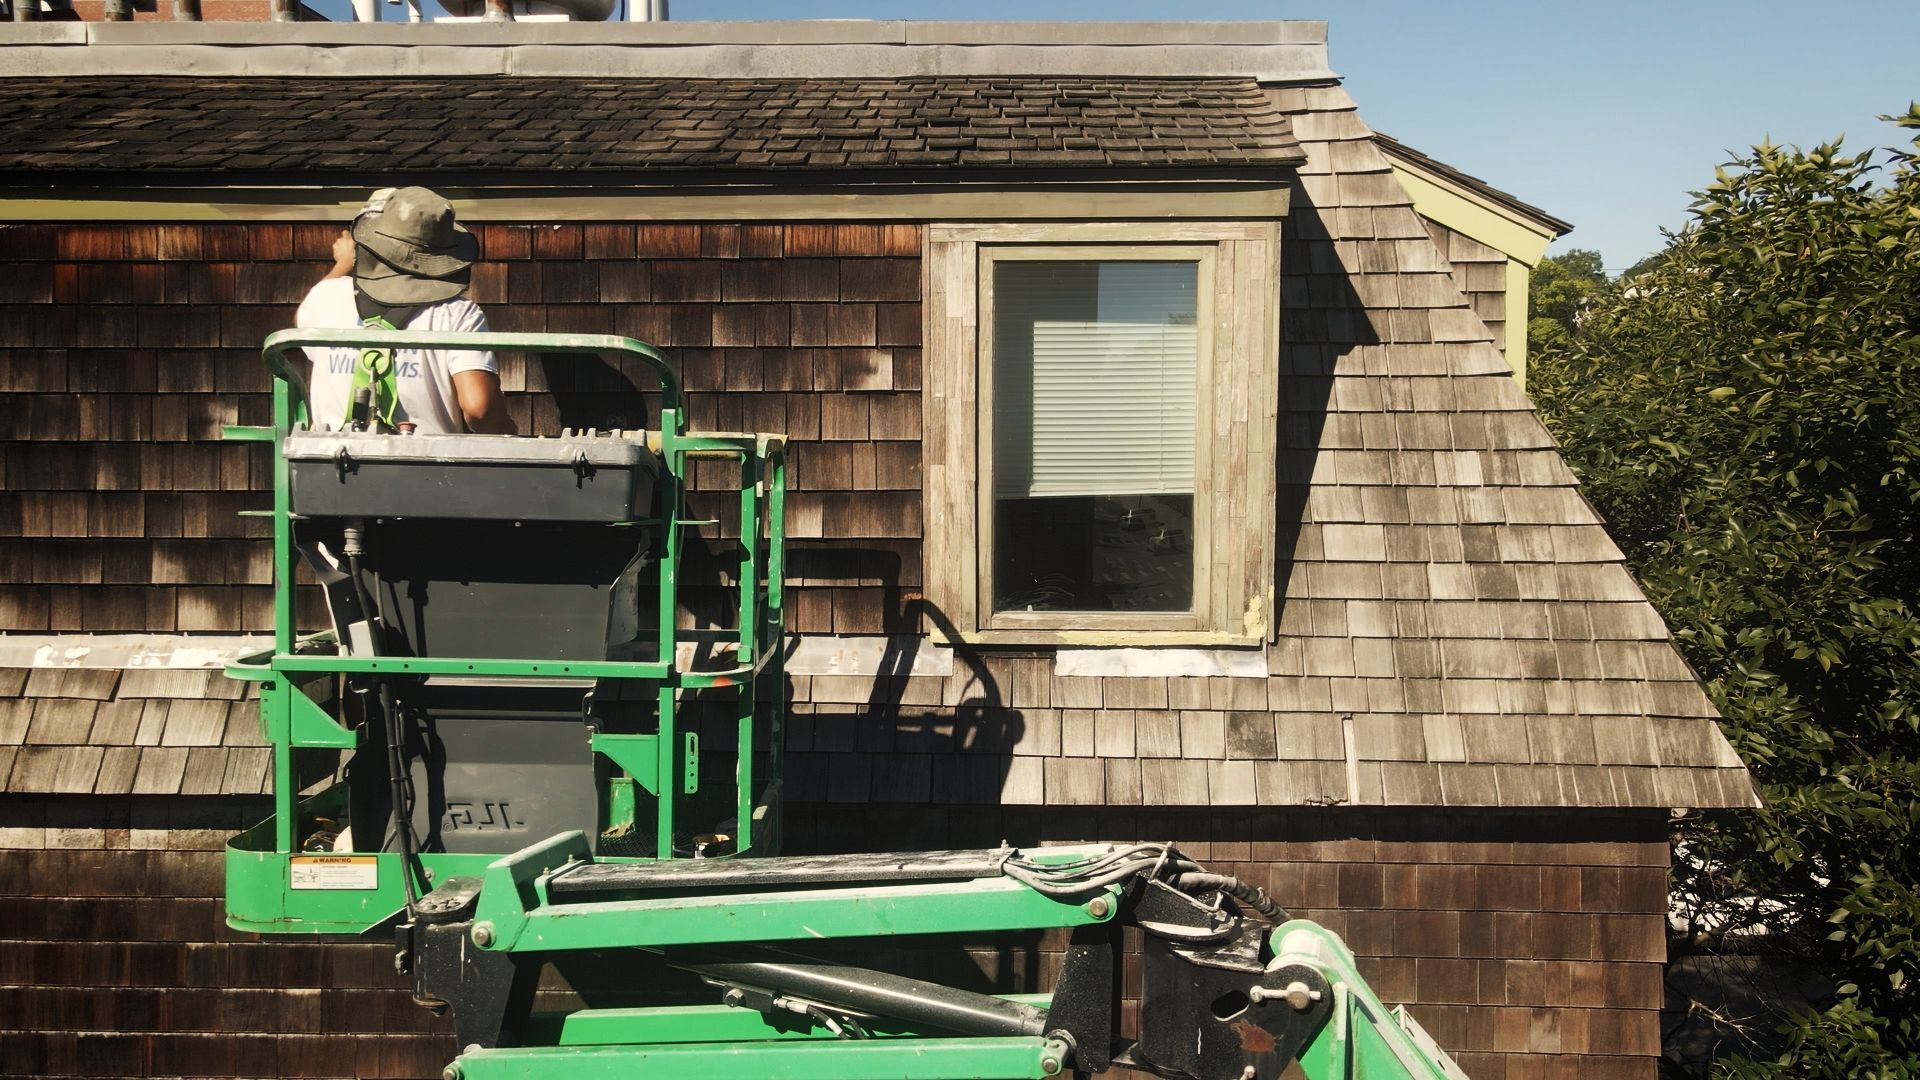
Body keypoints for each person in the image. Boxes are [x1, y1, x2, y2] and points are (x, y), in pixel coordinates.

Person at [297, 186, 515, 435]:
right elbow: (480, 410)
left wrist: (343, 265)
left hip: (329, 461)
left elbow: (303, 317)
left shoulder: (327, 295)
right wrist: (509, 432)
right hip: (427, 466)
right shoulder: (457, 314)